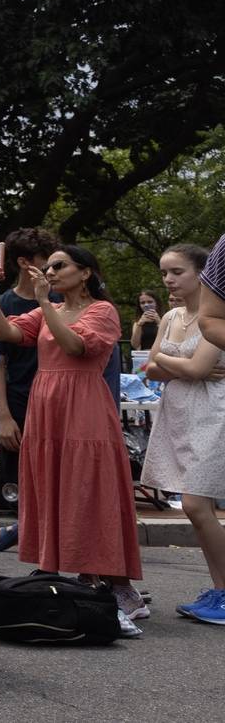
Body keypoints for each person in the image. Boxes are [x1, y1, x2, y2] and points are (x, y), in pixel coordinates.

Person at [0, 242, 144, 631]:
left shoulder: (102, 311)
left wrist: (45, 304)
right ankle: (79, 576)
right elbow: (7, 332)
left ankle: (120, 588)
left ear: (85, 272)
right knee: (54, 484)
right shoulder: (46, 309)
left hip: (84, 406)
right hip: (47, 407)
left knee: (88, 487)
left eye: (59, 266)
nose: (50, 272)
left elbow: (75, 346)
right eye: (48, 267)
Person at [139, 243, 225, 623]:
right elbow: (150, 368)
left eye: (177, 272)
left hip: (212, 412)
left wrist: (177, 365)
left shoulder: (215, 317)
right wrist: (183, 365)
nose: (169, 280)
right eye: (164, 273)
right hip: (179, 414)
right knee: (197, 509)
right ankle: (219, 589)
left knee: (195, 504)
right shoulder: (172, 316)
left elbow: (193, 368)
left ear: (203, 275)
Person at [0, 226, 58, 504]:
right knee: (19, 491)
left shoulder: (62, 299)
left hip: (57, 401)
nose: (52, 269)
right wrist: (3, 417)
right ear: (24, 262)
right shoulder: (2, 304)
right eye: (47, 261)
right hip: (20, 402)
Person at [131, 289, 163, 366]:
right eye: (142, 303)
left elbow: (169, 340)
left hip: (162, 358)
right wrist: (140, 324)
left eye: (150, 302)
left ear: (156, 303)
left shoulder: (166, 318)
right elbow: (135, 345)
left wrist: (159, 322)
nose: (146, 305)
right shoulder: (137, 323)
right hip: (144, 360)